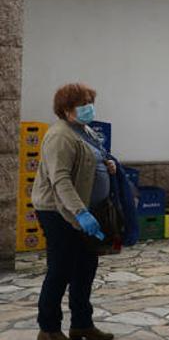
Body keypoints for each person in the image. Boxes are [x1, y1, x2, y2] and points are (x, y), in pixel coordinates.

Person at [31, 83, 116, 340]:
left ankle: (82, 323)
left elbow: (90, 158)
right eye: (83, 104)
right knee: (61, 269)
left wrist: (106, 164)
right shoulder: (60, 136)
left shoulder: (84, 129)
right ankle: (49, 329)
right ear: (66, 110)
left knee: (85, 268)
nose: (89, 108)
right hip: (59, 212)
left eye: (91, 102)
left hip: (87, 210)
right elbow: (61, 180)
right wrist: (80, 213)